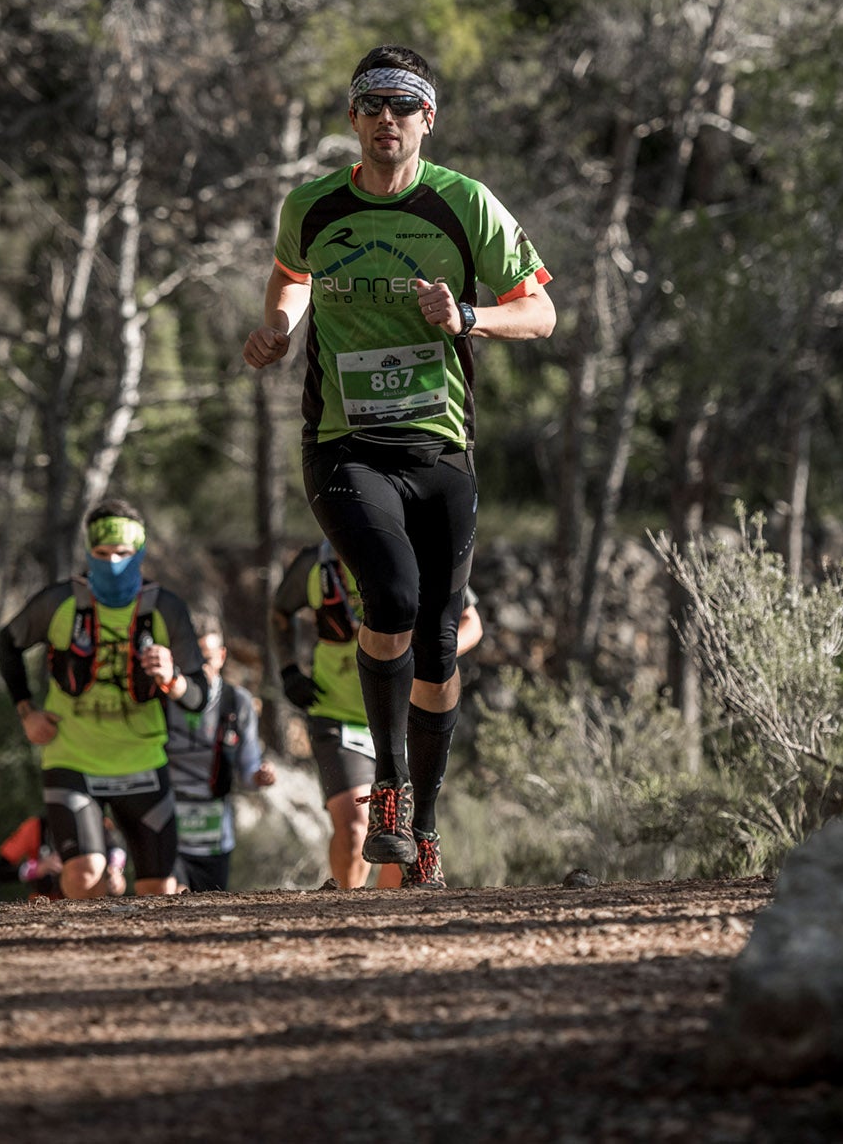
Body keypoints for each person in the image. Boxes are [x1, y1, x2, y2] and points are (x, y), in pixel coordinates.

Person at [243, 44, 554, 890]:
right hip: (344, 444)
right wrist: (278, 323)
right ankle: (388, 785)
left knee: (440, 642)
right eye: (372, 103)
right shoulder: (312, 205)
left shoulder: (464, 205)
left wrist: (471, 315)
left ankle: (424, 819)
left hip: (440, 448)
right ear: (353, 118)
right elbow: (291, 276)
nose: (388, 117)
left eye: (404, 104)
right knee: (393, 593)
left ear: (427, 119)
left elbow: (544, 312)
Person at [0, 498, 209, 899]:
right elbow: (7, 642)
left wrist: (173, 678)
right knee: (84, 875)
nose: (113, 563)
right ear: (88, 552)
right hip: (72, 758)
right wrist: (26, 711)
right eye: (102, 553)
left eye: (123, 554)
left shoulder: (166, 609)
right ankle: (81, 961)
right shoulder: (59, 602)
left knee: (159, 890)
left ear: (140, 552)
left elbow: (198, 697)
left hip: (142, 761)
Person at [273, 550, 482, 889]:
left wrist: (438, 651)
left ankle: (384, 929)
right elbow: (280, 611)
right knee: (356, 828)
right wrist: (288, 669)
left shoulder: (414, 552)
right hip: (338, 714)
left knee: (401, 845)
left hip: (408, 718)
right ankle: (344, 910)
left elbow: (472, 622)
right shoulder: (315, 565)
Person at [166, 618, 276, 893]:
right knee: (167, 898)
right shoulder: (162, 699)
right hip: (167, 829)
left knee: (207, 913)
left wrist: (259, 777)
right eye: (192, 657)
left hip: (214, 836)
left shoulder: (237, 702)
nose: (201, 666)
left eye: (208, 657)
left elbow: (247, 768)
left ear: (222, 656)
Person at [0, 814, 126, 901]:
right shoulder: (35, 827)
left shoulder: (97, 822)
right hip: (44, 903)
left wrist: (115, 871)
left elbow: (117, 847)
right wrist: (36, 868)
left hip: (91, 902)